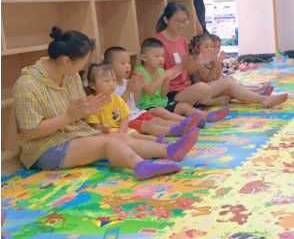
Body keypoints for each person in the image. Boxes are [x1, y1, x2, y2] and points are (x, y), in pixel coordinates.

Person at [12, 26, 196, 181]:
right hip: (45, 149)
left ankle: (170, 150)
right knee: (109, 143)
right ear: (66, 60)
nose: (84, 66)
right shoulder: (27, 85)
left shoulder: (69, 75)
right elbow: (30, 132)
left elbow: (81, 113)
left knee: (120, 137)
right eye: (83, 61)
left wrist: (89, 113)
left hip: (75, 133)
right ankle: (140, 167)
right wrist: (69, 116)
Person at [155, 3, 288, 108]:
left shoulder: (182, 41)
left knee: (228, 81)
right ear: (166, 19)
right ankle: (209, 101)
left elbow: (187, 72)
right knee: (205, 87)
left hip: (188, 88)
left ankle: (262, 99)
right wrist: (188, 65)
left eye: (184, 21)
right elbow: (159, 76)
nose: (182, 25)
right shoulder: (158, 43)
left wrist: (199, 63)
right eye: (177, 21)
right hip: (173, 93)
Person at [84, 62, 199, 143]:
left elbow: (124, 117)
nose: (111, 84)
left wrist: (122, 130)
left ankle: (163, 139)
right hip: (108, 133)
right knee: (138, 134)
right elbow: (94, 125)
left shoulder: (117, 97)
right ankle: (170, 134)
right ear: (93, 85)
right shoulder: (94, 103)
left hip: (123, 126)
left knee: (138, 132)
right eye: (106, 81)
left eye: (113, 80)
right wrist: (103, 128)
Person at [132, 38, 229, 122]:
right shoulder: (139, 72)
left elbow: (163, 94)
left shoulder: (160, 71)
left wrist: (167, 80)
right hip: (146, 107)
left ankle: (207, 116)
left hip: (161, 102)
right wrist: (164, 76)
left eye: (163, 56)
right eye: (157, 56)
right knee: (161, 111)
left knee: (184, 106)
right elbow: (150, 91)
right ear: (144, 57)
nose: (161, 59)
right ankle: (188, 122)